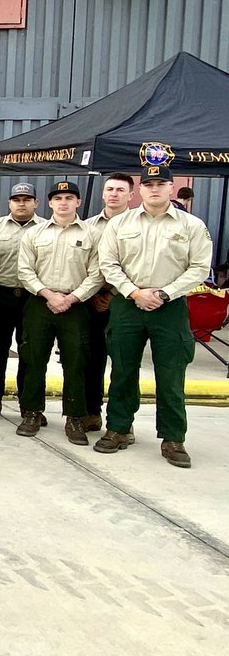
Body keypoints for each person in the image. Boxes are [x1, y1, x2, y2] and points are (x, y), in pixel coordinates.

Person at [96, 165, 212, 468]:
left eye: (161, 184)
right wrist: (134, 293)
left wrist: (164, 294)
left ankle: (173, 438)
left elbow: (199, 267)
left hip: (170, 307)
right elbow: (108, 264)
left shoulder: (191, 225)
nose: (155, 189)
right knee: (122, 370)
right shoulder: (120, 223)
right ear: (141, 190)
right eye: (149, 184)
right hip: (127, 305)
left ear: (172, 188)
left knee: (171, 374)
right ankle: (118, 429)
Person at [17, 181, 103, 440]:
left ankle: (75, 418)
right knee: (33, 359)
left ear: (78, 202)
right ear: (50, 203)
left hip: (76, 306)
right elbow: (25, 270)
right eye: (58, 198)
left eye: (69, 197)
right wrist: (48, 294)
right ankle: (31, 412)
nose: (63, 202)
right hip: (40, 302)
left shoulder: (92, 235)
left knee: (76, 362)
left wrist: (72, 298)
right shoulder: (35, 233)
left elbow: (97, 273)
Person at [0, 183, 45, 418]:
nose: (22, 203)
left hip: (33, 298)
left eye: (27, 199)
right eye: (17, 199)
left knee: (31, 353)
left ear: (36, 202)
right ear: (9, 203)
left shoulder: (47, 228)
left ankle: (29, 405)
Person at [84, 173, 134, 426]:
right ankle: (91, 412)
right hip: (91, 301)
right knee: (91, 359)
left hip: (125, 300)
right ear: (103, 194)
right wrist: (92, 294)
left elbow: (137, 266)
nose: (114, 194)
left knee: (124, 364)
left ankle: (122, 422)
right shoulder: (88, 226)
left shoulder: (137, 225)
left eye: (120, 190)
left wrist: (113, 294)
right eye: (110, 189)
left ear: (130, 195)